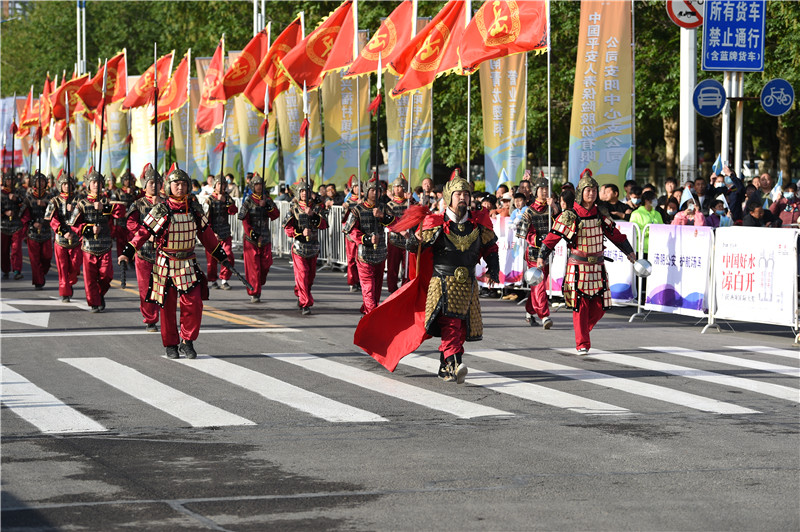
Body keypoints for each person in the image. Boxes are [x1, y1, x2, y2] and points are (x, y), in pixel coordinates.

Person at [119, 167, 229, 359]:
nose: (180, 187)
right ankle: (170, 343)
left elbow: (206, 234)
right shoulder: (161, 209)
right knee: (167, 307)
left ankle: (187, 341)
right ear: (169, 187)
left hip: (188, 262)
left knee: (194, 304)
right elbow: (144, 232)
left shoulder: (194, 209)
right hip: (166, 263)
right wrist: (128, 251)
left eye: (183, 184)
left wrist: (222, 255)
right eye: (176, 184)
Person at [537, 170, 636, 355]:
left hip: (598, 266)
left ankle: (583, 330)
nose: (591, 193)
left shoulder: (600, 213)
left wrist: (630, 252)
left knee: (600, 306)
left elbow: (615, 234)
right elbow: (553, 236)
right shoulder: (570, 215)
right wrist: (542, 255)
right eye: (587, 190)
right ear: (581, 192)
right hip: (578, 267)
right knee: (580, 306)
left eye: (594, 190)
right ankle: (582, 342)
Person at [417, 175, 499, 382]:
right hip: (443, 281)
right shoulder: (435, 222)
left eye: (466, 194)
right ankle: (455, 363)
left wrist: (494, 269)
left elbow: (491, 248)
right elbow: (416, 248)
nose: (463, 198)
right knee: (451, 324)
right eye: (458, 194)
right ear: (448, 197)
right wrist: (412, 239)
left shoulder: (478, 224)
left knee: (462, 327)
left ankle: (445, 366)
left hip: (468, 283)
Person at [68, 170, 124, 312]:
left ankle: (99, 293)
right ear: (88, 184)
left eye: (99, 182)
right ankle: (94, 302)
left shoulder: (108, 200)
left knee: (106, 275)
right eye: (93, 182)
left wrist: (105, 208)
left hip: (105, 244)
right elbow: (73, 223)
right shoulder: (82, 203)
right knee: (90, 277)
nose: (96, 185)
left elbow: (121, 211)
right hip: (88, 245)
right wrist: (87, 228)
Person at [345, 177, 396, 314]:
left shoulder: (384, 207)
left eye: (378, 190)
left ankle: (368, 310)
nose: (375, 193)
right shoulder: (357, 209)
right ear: (367, 191)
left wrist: (382, 217)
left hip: (380, 253)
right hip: (364, 254)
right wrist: (366, 239)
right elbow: (349, 231)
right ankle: (371, 314)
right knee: (368, 287)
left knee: (377, 288)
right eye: (372, 190)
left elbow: (395, 224)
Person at [125, 164, 163, 332]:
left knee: (164, 287)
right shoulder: (138, 204)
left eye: (157, 182)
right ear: (145, 184)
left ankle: (166, 318)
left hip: (164, 252)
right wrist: (146, 233)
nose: (154, 186)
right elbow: (131, 223)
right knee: (146, 287)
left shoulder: (166, 203)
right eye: (151, 183)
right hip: (144, 251)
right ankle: (150, 319)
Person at [282, 182, 328, 315]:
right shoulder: (293, 208)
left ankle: (300, 292)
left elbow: (324, 224)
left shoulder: (316, 208)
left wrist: (313, 215)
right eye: (301, 191)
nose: (304, 193)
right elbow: (287, 228)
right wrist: (300, 233)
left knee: (310, 277)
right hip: (299, 247)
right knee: (302, 274)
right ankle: (305, 303)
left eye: (306, 191)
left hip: (313, 247)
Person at [515, 177, 554, 329]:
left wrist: (555, 208)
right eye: (541, 189)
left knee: (538, 284)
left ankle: (530, 311)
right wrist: (539, 239)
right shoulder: (529, 211)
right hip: (534, 252)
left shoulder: (551, 207)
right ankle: (544, 315)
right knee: (538, 284)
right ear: (535, 191)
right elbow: (523, 233)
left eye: (546, 189)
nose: (544, 191)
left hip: (548, 252)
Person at [238, 174, 279, 303]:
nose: (259, 187)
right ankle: (254, 292)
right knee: (253, 267)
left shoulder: (267, 200)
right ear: (252, 186)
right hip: (252, 239)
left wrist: (266, 206)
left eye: (260, 184)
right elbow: (244, 221)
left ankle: (259, 283)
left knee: (266, 265)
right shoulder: (248, 201)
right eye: (256, 184)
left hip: (266, 237)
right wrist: (253, 235)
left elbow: (275, 215)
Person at [44, 172, 82, 302]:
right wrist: (63, 231)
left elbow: (84, 217)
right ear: (60, 185)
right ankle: (65, 292)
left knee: (75, 265)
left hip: (76, 238)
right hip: (61, 239)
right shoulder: (54, 201)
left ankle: (70, 282)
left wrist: (74, 210)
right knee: (62, 267)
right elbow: (52, 219)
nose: (66, 186)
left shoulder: (78, 200)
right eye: (64, 184)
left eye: (69, 184)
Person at [204, 175, 238, 292]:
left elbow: (234, 211)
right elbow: (205, 219)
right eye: (219, 184)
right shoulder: (209, 200)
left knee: (228, 255)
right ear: (215, 185)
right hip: (212, 234)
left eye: (224, 184)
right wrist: (211, 233)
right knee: (212, 260)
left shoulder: (227, 198)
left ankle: (224, 279)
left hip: (225, 232)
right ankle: (213, 280)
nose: (222, 186)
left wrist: (227, 201)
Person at [385, 175, 417, 294]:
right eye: (395, 187)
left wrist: (412, 200)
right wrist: (401, 230)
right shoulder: (389, 205)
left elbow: (419, 212)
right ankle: (392, 290)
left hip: (408, 240)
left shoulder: (410, 203)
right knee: (392, 267)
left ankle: (405, 289)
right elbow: (388, 222)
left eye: (399, 187)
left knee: (407, 267)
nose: (397, 189)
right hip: (394, 239)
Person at [21, 173, 53, 289]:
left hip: (46, 231)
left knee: (47, 257)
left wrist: (46, 205)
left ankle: (42, 273)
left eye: (43, 181)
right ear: (34, 183)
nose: (41, 183)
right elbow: (23, 215)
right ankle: (38, 281)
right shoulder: (29, 198)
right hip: (32, 233)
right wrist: (32, 223)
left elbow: (55, 213)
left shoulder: (50, 197)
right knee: (34, 260)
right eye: (38, 181)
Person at [1, 173, 27, 280]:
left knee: (16, 249)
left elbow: (25, 205)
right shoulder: (1, 193)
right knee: (4, 250)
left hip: (16, 224)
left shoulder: (19, 192)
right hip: (3, 225)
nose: (10, 182)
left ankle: (17, 270)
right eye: (8, 180)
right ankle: (5, 269)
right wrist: (5, 212)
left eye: (12, 180)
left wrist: (17, 199)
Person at [110, 171, 141, 258]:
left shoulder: (136, 190)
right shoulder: (117, 192)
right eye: (126, 180)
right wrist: (122, 212)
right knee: (121, 242)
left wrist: (132, 193)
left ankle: (132, 258)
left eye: (130, 180)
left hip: (133, 220)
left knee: (133, 240)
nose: (128, 181)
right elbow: (113, 205)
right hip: (121, 220)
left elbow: (141, 200)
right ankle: (122, 258)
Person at [628, 190, 663, 254]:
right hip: (641, 249)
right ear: (646, 201)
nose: (655, 201)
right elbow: (633, 232)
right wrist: (648, 232)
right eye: (653, 199)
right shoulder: (636, 214)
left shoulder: (657, 214)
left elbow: (662, 228)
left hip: (655, 248)